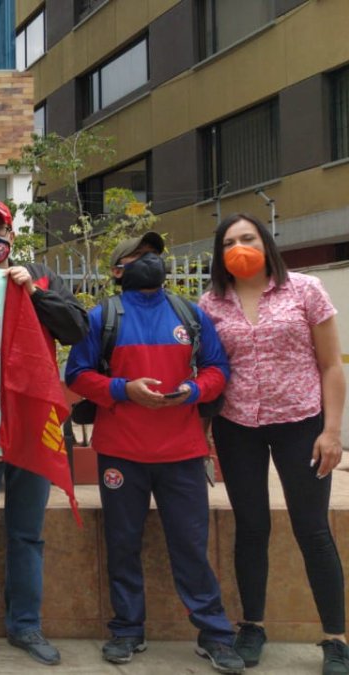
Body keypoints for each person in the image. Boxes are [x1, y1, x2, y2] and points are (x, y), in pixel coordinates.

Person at [65, 231, 245, 674]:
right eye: (139, 256)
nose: (150, 261)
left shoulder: (190, 314)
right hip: (120, 453)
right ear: (118, 270)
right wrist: (122, 389)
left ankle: (215, 634)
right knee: (122, 544)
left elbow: (218, 368)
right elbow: (77, 373)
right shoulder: (102, 317)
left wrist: (194, 391)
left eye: (154, 255)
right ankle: (127, 630)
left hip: (181, 453)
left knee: (191, 545)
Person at [199, 214, 347, 674]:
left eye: (248, 238)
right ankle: (253, 626)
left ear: (266, 242)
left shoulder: (304, 290)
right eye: (229, 242)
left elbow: (331, 365)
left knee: (312, 528)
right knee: (251, 526)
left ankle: (336, 639)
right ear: (219, 254)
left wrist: (332, 432)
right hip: (236, 425)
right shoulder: (210, 303)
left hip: (301, 423)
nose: (239, 247)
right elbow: (208, 368)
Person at [0, 199, 87, 666]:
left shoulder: (40, 277)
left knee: (28, 533)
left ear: (12, 234)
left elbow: (77, 328)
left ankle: (25, 625)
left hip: (33, 423)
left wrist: (35, 294)